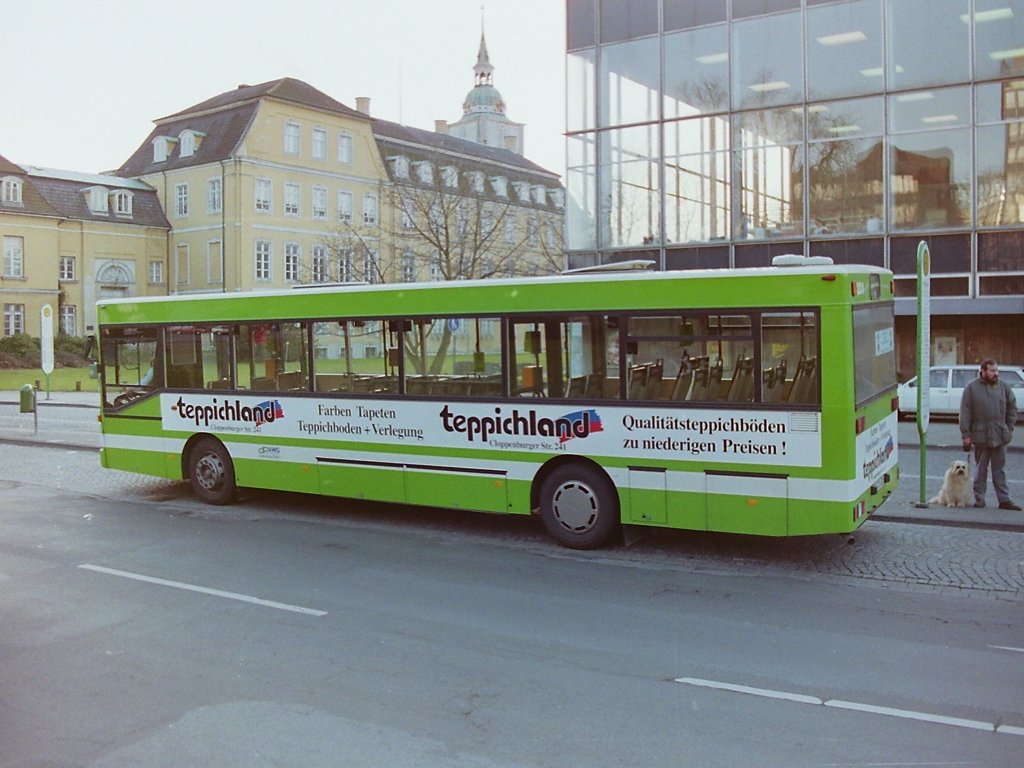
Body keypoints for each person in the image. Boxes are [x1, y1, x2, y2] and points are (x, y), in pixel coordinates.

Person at [960, 358, 1020, 510]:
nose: (996, 374)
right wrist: (966, 435)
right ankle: (979, 499)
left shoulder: (1003, 387)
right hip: (980, 436)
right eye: (992, 371)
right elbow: (965, 412)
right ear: (983, 371)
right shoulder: (971, 388)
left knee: (999, 470)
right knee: (980, 470)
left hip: (1000, 435)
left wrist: (1009, 427)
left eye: (997, 370)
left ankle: (1004, 500)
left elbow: (1013, 407)